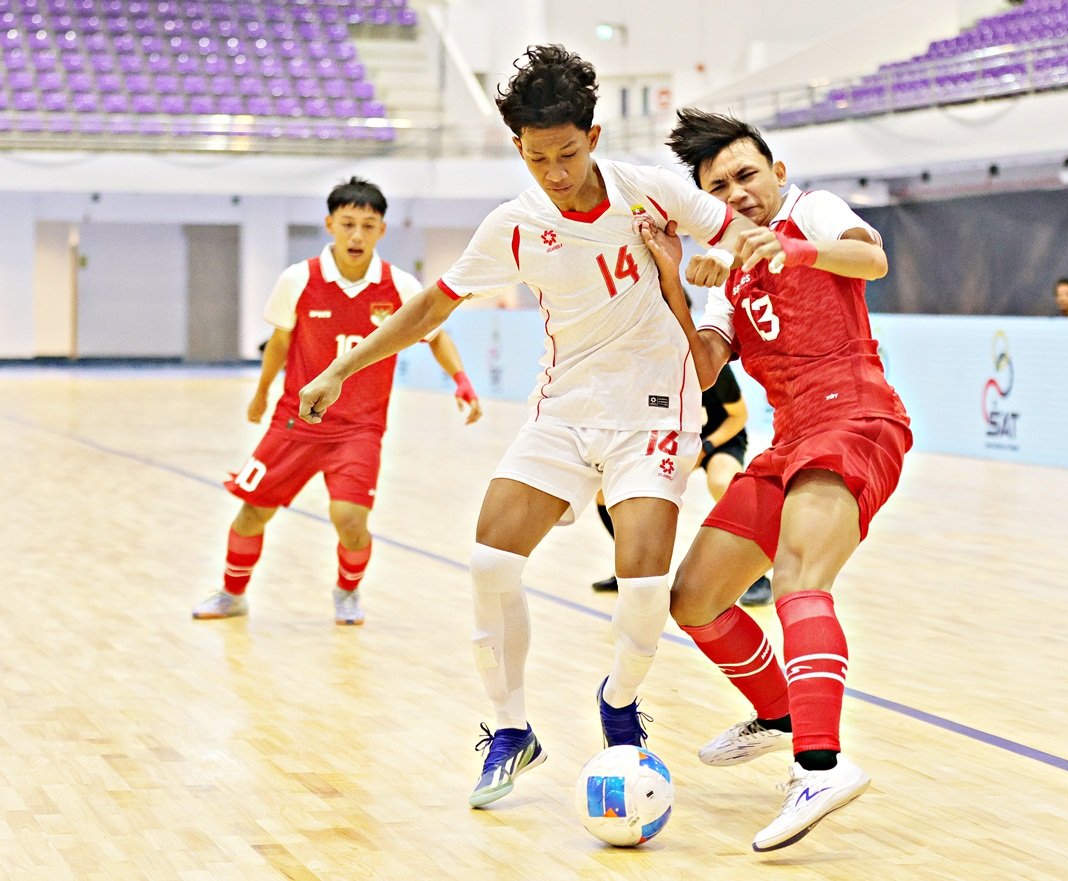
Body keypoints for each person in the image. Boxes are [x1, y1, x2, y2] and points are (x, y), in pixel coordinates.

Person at [295, 46, 758, 808]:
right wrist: (340, 368)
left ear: (595, 137)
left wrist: (716, 286)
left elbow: (738, 238)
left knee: (643, 589)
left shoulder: (649, 193)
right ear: (518, 148)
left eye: (568, 154)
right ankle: (512, 730)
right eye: (537, 158)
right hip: (565, 412)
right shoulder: (513, 225)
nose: (555, 173)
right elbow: (428, 310)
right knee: (488, 562)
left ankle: (618, 701)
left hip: (654, 414)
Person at [656, 108, 912, 852]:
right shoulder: (725, 270)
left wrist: (794, 250)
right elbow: (704, 365)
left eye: (746, 175)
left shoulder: (814, 211)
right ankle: (779, 712)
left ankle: (822, 763)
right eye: (718, 186)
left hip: (857, 417)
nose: (736, 193)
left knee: (800, 578)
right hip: (789, 438)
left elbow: (872, 261)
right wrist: (675, 281)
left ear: (777, 173)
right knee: (695, 596)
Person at [192, 177, 483, 626]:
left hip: (359, 427)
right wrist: (262, 392)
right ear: (330, 224)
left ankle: (347, 592)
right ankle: (232, 594)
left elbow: (435, 336)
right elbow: (278, 343)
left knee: (350, 519)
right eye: (348, 223)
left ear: (382, 231)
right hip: (297, 422)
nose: (356, 235)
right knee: (252, 513)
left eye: (368, 226)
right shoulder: (299, 279)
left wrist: (461, 380)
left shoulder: (399, 286)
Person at [592, 321, 772, 606]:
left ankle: (755, 577)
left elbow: (738, 416)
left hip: (717, 440)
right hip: (670, 441)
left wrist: (707, 446)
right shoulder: (642, 363)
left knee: (724, 483)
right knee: (604, 491)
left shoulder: (704, 360)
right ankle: (630, 565)